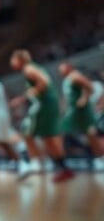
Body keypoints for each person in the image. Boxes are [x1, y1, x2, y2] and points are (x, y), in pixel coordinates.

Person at [9, 50, 73, 182]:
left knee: (27, 132)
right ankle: (62, 168)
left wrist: (30, 93)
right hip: (48, 103)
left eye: (13, 59)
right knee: (48, 137)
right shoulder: (33, 67)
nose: (11, 62)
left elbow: (44, 81)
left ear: (20, 59)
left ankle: (36, 164)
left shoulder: (28, 68)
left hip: (43, 105)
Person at [58, 62, 104, 171]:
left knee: (90, 133)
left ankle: (61, 162)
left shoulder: (78, 78)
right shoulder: (67, 81)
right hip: (76, 113)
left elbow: (92, 91)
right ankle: (63, 161)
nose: (60, 71)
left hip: (88, 113)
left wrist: (84, 100)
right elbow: (66, 99)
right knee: (86, 134)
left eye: (62, 68)